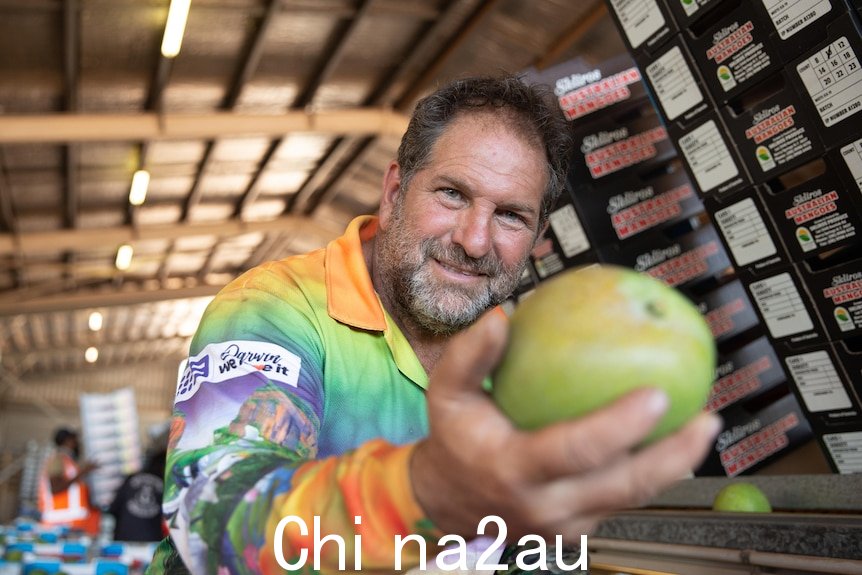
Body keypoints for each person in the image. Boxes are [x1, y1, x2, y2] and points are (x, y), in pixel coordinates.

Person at [149, 75, 720, 574]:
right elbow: (212, 522)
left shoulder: (518, 352)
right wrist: (430, 491)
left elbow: (530, 550)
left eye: (510, 216)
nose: (474, 240)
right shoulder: (274, 309)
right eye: (452, 194)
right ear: (395, 192)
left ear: (538, 239)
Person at [38, 427, 101, 535]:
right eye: (74, 440)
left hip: (71, 523)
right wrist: (82, 473)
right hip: (59, 523)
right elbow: (55, 488)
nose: (77, 443)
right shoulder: (58, 460)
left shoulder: (70, 462)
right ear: (67, 441)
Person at [109, 447, 168, 542]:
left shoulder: (131, 478)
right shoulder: (166, 486)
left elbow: (113, 508)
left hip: (124, 539)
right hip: (152, 541)